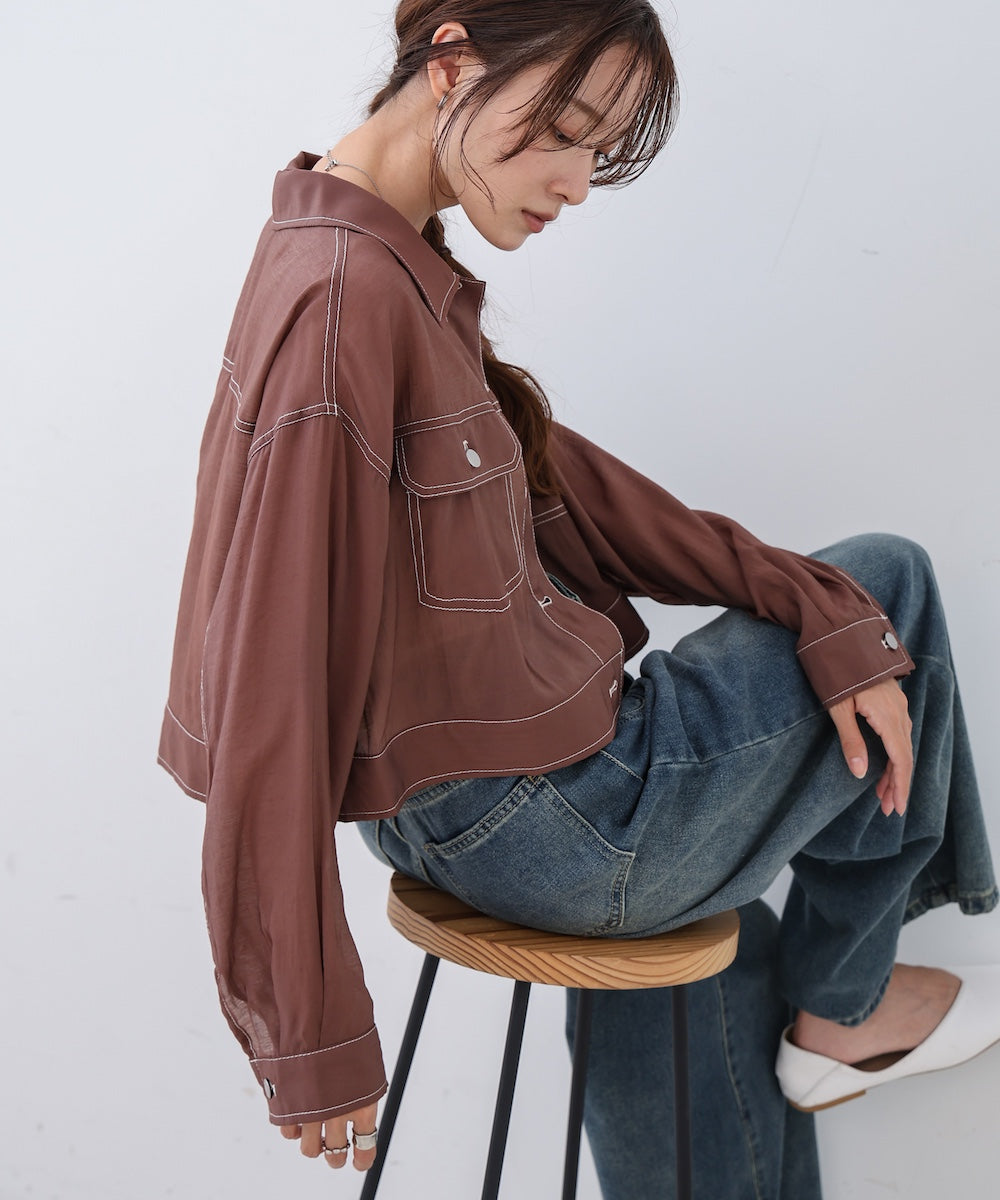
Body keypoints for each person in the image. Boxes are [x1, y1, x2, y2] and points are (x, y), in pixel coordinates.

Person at [157, 1, 999, 1195]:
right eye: (564, 132)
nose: (576, 183)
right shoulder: (350, 298)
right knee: (889, 582)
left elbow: (556, 481)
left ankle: (810, 1009)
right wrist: (310, 1032)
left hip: (461, 813)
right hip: (551, 825)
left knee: (724, 925)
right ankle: (846, 1007)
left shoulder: (355, 245)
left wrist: (797, 592)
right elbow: (269, 678)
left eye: (599, 151)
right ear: (452, 59)